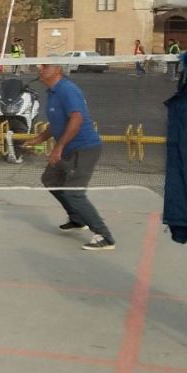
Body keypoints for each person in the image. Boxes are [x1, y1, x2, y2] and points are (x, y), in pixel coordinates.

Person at [28, 62, 116, 251]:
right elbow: (57, 122)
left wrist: (58, 148)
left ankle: (105, 237)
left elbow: (77, 119)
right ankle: (77, 219)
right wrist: (39, 139)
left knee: (74, 193)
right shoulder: (52, 92)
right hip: (68, 149)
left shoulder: (67, 90)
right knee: (51, 179)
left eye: (45, 66)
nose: (40, 69)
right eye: (40, 66)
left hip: (84, 148)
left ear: (58, 69)